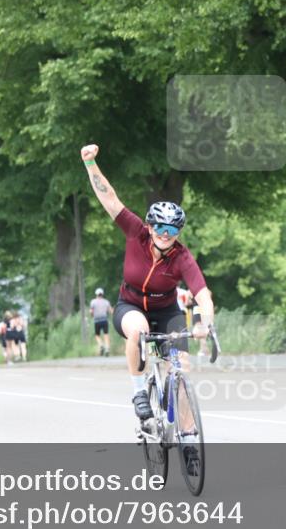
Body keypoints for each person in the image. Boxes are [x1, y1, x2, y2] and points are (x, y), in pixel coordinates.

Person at [80, 143, 215, 462]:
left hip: (166, 312)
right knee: (138, 330)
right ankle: (139, 390)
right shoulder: (136, 233)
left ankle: (189, 437)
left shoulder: (182, 257)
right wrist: (90, 165)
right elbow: (110, 198)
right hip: (129, 307)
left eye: (173, 230)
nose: (165, 235)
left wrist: (204, 324)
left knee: (181, 369)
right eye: (160, 228)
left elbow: (202, 294)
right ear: (151, 226)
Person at [90, 288, 113, 356]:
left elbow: (91, 311)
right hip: (104, 320)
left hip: (97, 320)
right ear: (102, 294)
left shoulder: (93, 302)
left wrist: (92, 315)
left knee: (97, 335)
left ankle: (101, 345)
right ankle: (107, 348)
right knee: (106, 334)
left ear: (96, 294)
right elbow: (111, 311)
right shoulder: (106, 302)